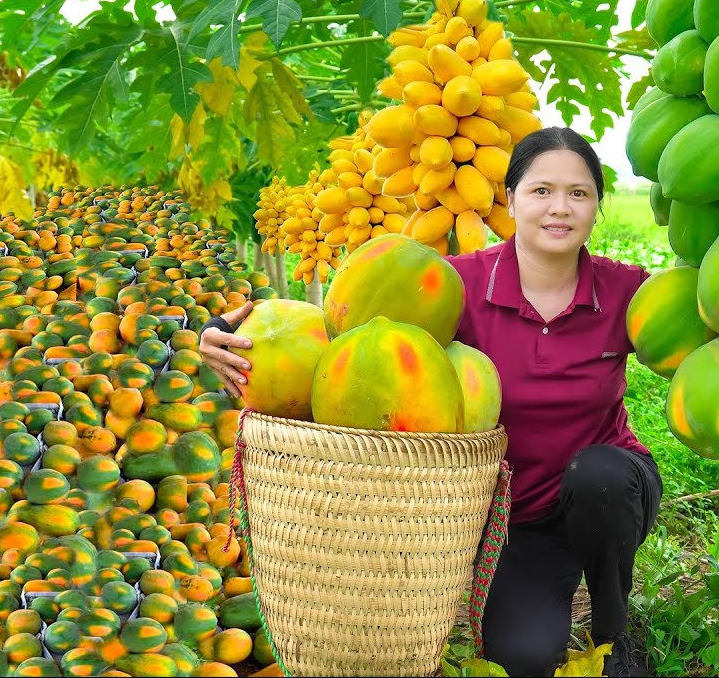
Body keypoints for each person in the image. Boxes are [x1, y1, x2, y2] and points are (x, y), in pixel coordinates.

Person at [199, 127, 661, 677]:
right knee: (521, 659)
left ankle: (614, 632)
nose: (559, 208)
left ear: (597, 206)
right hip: (519, 514)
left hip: (610, 486)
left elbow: (690, 325)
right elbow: (340, 332)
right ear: (510, 199)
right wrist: (218, 332)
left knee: (599, 476)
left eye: (578, 193)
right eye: (541, 191)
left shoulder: (626, 289)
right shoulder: (456, 285)